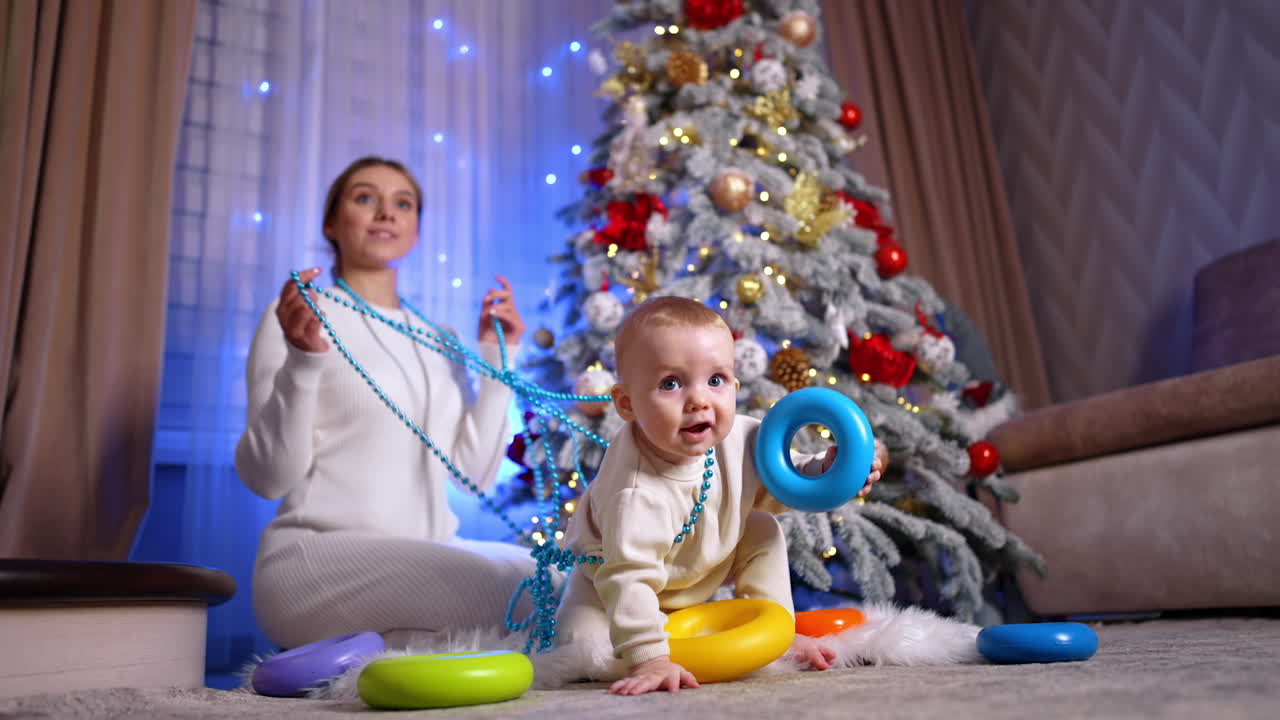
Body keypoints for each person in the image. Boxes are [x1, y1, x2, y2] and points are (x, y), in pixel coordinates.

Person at [235, 156, 535, 650]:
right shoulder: (299, 315)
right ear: (332, 223)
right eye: (364, 197)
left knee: (556, 580)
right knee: (518, 592)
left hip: (426, 554)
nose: (385, 213)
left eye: (403, 203)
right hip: (316, 559)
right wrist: (303, 361)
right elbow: (268, 478)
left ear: (415, 229)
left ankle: (390, 647)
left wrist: (497, 363)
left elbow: (474, 476)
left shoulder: (439, 338)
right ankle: (399, 642)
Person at [556, 296, 888, 695]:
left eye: (715, 380)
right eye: (671, 384)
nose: (699, 400)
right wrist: (651, 658)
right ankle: (638, 644)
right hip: (608, 589)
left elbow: (787, 477)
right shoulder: (636, 491)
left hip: (690, 580)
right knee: (585, 654)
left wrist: (832, 468)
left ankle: (776, 626)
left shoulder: (741, 437)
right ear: (627, 404)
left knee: (761, 529)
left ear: (734, 385)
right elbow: (627, 578)